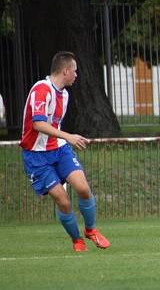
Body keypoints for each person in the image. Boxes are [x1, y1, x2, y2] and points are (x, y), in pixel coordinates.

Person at [20, 51, 110, 252]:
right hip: (36, 155)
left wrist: (63, 140)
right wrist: (68, 136)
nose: (77, 75)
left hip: (59, 150)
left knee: (83, 188)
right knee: (64, 201)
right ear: (65, 70)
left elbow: (54, 125)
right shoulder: (41, 90)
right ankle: (77, 240)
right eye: (75, 71)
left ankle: (91, 230)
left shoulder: (65, 94)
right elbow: (38, 124)